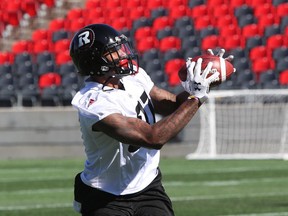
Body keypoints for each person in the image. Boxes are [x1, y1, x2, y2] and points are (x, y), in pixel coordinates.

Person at [69, 23, 233, 216]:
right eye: (113, 52)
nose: (123, 54)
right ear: (96, 62)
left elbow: (172, 105)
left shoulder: (133, 77)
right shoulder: (92, 102)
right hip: (104, 195)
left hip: (147, 186)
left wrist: (204, 82)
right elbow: (153, 138)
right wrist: (196, 97)